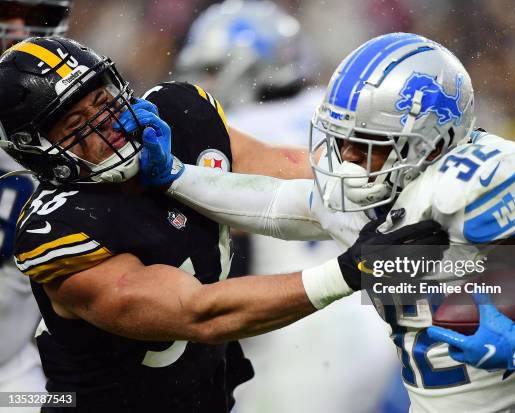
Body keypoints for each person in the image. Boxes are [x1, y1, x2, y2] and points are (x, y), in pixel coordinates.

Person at [141, 32, 515, 412]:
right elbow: (274, 204)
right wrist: (177, 177)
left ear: (433, 141)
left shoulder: (471, 188)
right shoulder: (370, 196)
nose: (346, 160)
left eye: (365, 144)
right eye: (341, 140)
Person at [0, 36, 442, 412]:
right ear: (36, 151)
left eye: (103, 101)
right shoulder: (61, 230)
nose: (107, 123)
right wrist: (349, 271)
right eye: (78, 124)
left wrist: (408, 183)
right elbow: (199, 312)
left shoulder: (177, 118)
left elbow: (287, 169)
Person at [176, 2, 398, 412]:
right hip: (374, 317)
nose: (202, 82)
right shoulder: (335, 113)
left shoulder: (236, 131)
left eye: (210, 69)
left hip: (291, 324)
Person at [0, 1, 72, 408]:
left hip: (19, 369)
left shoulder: (71, 114)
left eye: (33, 17)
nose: (16, 29)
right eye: (7, 11)